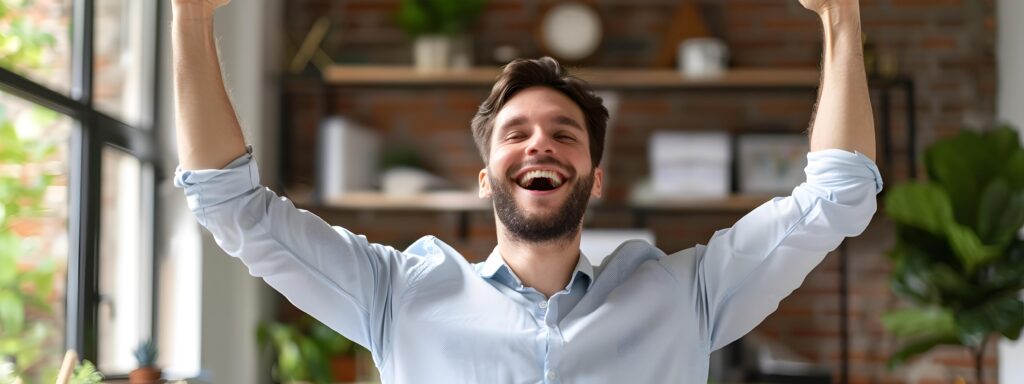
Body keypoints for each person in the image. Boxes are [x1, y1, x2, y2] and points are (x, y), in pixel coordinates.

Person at [171, 0, 882, 382]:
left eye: (564, 134)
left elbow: (838, 195)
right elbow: (229, 204)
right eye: (516, 134)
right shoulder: (396, 295)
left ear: (595, 179)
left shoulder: (685, 298)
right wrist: (191, 15)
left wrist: (840, 14)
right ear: (486, 179)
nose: (540, 143)